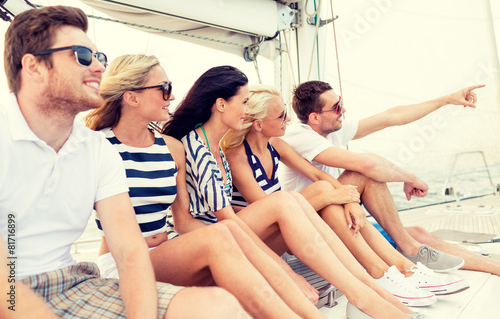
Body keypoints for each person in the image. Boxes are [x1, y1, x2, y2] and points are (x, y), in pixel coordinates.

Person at [0, 5, 245, 319]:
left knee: (218, 308)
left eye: (99, 58)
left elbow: (130, 253)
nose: (100, 68)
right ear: (33, 67)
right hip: (11, 288)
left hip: (74, 282)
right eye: (82, 55)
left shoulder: (94, 148)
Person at [164, 65, 425, 319]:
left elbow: (230, 212)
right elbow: (200, 221)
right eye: (244, 103)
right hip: (207, 245)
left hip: (232, 231)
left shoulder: (214, 146)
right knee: (288, 201)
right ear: (221, 105)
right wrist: (285, 271)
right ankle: (367, 293)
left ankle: (372, 285)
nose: (247, 110)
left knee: (303, 198)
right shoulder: (196, 147)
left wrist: (344, 200)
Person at [84, 54, 324, 319]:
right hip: (122, 262)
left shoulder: (172, 148)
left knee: (233, 247)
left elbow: (182, 221)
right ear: (132, 97)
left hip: (167, 251)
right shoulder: (96, 147)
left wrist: (283, 271)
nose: (171, 97)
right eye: (164, 89)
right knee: (224, 235)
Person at [222, 84, 469, 306]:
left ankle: (397, 268)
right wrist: (335, 196)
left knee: (326, 189)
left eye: (286, 112)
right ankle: (385, 271)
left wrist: (348, 200)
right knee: (326, 192)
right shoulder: (238, 156)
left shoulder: (275, 144)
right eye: (281, 116)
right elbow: (269, 208)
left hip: (295, 219)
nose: (287, 119)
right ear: (258, 124)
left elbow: (319, 176)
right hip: (263, 239)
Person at [279, 80, 499, 276]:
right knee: (361, 171)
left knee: (418, 234)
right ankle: (408, 249)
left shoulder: (332, 129)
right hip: (311, 227)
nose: (343, 110)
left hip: (333, 213)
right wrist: (410, 177)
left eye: (341, 102)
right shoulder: (299, 136)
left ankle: (492, 267)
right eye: (336, 107)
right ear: (314, 117)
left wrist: (447, 99)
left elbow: (390, 117)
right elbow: (367, 165)